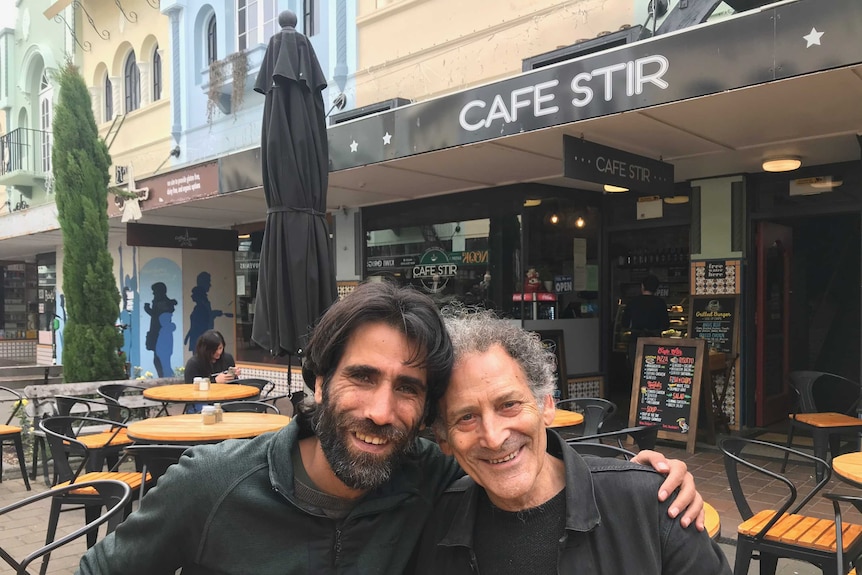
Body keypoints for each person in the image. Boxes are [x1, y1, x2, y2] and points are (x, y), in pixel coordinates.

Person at [77, 281, 703, 574]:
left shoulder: (430, 479)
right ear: (316, 382)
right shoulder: (211, 486)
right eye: (361, 378)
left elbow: (525, 474)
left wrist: (645, 484)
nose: (381, 411)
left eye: (407, 389)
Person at [413, 312, 729, 574]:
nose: (494, 438)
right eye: (466, 417)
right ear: (444, 439)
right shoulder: (437, 522)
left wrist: (649, 486)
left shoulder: (650, 505)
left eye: (509, 404)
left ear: (547, 405)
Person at [622, 273, 670, 366]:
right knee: (652, 369)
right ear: (656, 289)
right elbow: (666, 325)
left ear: (642, 286)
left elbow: (624, 323)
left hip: (636, 341)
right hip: (655, 342)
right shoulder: (660, 303)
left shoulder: (632, 302)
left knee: (636, 368)